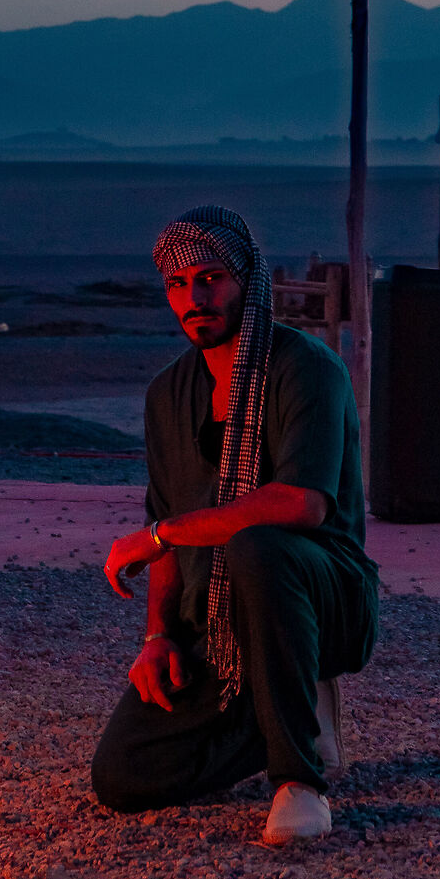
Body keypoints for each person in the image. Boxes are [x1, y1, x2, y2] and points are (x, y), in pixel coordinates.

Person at [91, 203, 377, 845]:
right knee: (123, 776)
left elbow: (301, 504)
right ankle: (285, 716)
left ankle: (298, 780)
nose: (193, 297)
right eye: (176, 284)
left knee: (259, 545)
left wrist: (161, 536)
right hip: (213, 622)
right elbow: (166, 519)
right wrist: (158, 636)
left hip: (319, 598)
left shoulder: (305, 367)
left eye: (209, 277)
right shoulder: (167, 394)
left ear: (247, 279)